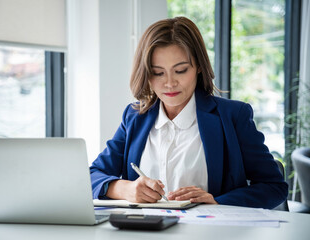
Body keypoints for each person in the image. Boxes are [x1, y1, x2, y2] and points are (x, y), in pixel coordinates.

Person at [90, 16, 288, 209]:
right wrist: (126, 189)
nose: (169, 83)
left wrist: (217, 202)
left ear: (199, 67)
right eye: (158, 73)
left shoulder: (233, 116)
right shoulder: (135, 117)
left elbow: (274, 187)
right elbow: (93, 175)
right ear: (146, 73)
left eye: (181, 70)